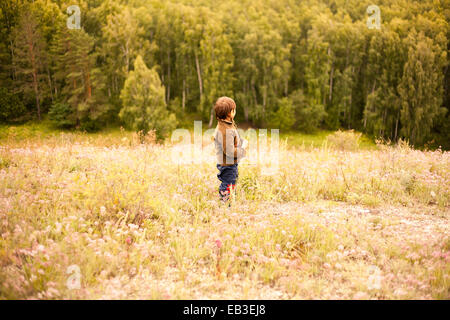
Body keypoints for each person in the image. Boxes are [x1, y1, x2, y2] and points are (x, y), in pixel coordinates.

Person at [213, 97, 248, 203]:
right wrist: (243, 149)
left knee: (231, 183)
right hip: (227, 164)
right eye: (234, 110)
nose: (235, 111)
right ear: (229, 113)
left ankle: (229, 201)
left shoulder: (226, 123)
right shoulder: (225, 130)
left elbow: (232, 139)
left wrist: (241, 141)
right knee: (228, 184)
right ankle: (225, 205)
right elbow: (229, 151)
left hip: (228, 163)